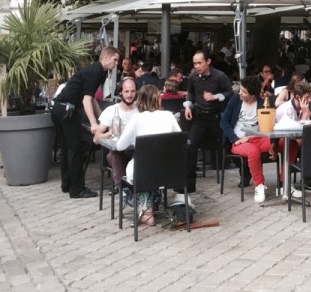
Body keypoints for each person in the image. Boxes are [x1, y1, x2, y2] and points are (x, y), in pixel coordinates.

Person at [50, 46, 120, 199]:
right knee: (75, 149)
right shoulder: (96, 72)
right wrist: (94, 124)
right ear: (106, 58)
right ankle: (77, 189)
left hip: (59, 109)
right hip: (67, 111)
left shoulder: (98, 72)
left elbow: (91, 97)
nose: (116, 64)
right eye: (115, 60)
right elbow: (86, 99)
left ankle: (67, 184)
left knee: (67, 148)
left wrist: (101, 117)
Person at [115, 85, 181, 226]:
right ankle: (148, 212)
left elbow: (120, 146)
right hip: (169, 172)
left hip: (143, 172)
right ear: (158, 99)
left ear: (140, 100)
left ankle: (147, 213)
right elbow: (179, 140)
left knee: (137, 168)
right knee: (150, 166)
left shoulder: (137, 119)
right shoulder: (169, 115)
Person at [183, 49, 233, 194]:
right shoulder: (193, 77)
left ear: (208, 62)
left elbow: (230, 93)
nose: (197, 66)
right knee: (190, 148)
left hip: (216, 117)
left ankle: (244, 174)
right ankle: (189, 186)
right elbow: (190, 93)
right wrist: (188, 106)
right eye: (194, 63)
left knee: (229, 143)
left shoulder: (220, 76)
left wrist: (216, 96)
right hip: (199, 116)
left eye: (199, 63)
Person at [221, 76, 277, 204]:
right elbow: (224, 122)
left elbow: (270, 125)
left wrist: (273, 145)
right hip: (240, 139)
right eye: (240, 89)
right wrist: (235, 139)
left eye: (244, 91)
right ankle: (259, 185)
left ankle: (284, 182)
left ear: (253, 95)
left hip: (258, 137)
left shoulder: (262, 102)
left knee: (283, 142)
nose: (240, 92)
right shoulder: (235, 100)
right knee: (253, 152)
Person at [92, 76, 140, 188]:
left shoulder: (141, 110)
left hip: (138, 151)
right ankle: (122, 188)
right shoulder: (111, 110)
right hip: (119, 152)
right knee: (114, 154)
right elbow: (96, 138)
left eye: (133, 91)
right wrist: (111, 132)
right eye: (126, 91)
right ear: (120, 93)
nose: (130, 95)